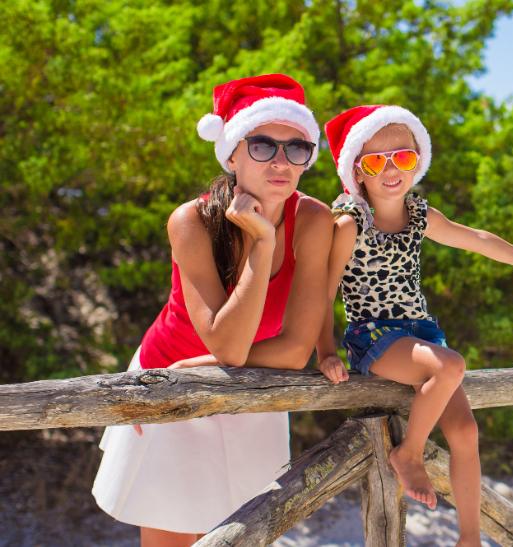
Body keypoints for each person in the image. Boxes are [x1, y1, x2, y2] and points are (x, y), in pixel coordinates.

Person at [91, 73, 333, 547]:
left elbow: (297, 349)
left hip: (250, 385)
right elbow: (227, 342)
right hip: (173, 380)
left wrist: (223, 360)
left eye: (297, 149)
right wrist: (262, 244)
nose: (280, 162)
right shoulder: (192, 220)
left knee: (242, 534)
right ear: (232, 153)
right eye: (262, 146)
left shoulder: (314, 219)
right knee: (173, 537)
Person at [316, 105, 513, 546]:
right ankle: (408, 453)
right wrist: (325, 352)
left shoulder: (420, 215)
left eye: (402, 158)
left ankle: (469, 538)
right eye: (375, 162)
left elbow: (472, 237)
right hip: (374, 337)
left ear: (417, 162)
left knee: (465, 430)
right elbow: (322, 291)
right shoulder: (350, 223)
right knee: (450, 366)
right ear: (358, 173)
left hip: (420, 333)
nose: (391, 170)